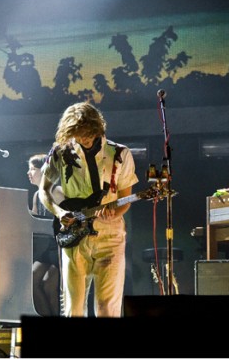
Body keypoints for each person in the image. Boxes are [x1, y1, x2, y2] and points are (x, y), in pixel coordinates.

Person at [39, 102, 139, 317]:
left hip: (110, 238)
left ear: (96, 128)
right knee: (73, 309)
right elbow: (44, 191)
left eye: (86, 133)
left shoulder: (120, 154)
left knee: (107, 309)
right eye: (76, 133)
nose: (82, 138)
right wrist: (59, 212)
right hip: (75, 237)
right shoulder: (60, 152)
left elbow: (125, 199)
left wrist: (114, 213)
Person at [27, 153, 64, 316]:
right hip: (45, 249)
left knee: (49, 285)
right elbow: (34, 219)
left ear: (44, 171)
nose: (29, 173)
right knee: (32, 282)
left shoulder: (57, 191)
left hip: (59, 247)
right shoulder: (36, 195)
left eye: (32, 169)